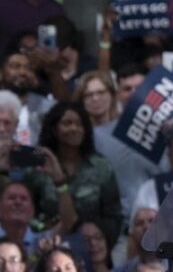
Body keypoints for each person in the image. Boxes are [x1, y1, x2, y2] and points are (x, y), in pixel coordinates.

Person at [38, 102, 122, 242]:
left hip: (91, 246)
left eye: (79, 124)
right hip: (48, 243)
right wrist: (43, 228)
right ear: (54, 129)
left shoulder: (101, 167)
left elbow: (113, 217)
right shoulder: (40, 166)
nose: (74, 128)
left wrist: (97, 234)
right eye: (67, 123)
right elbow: (28, 214)